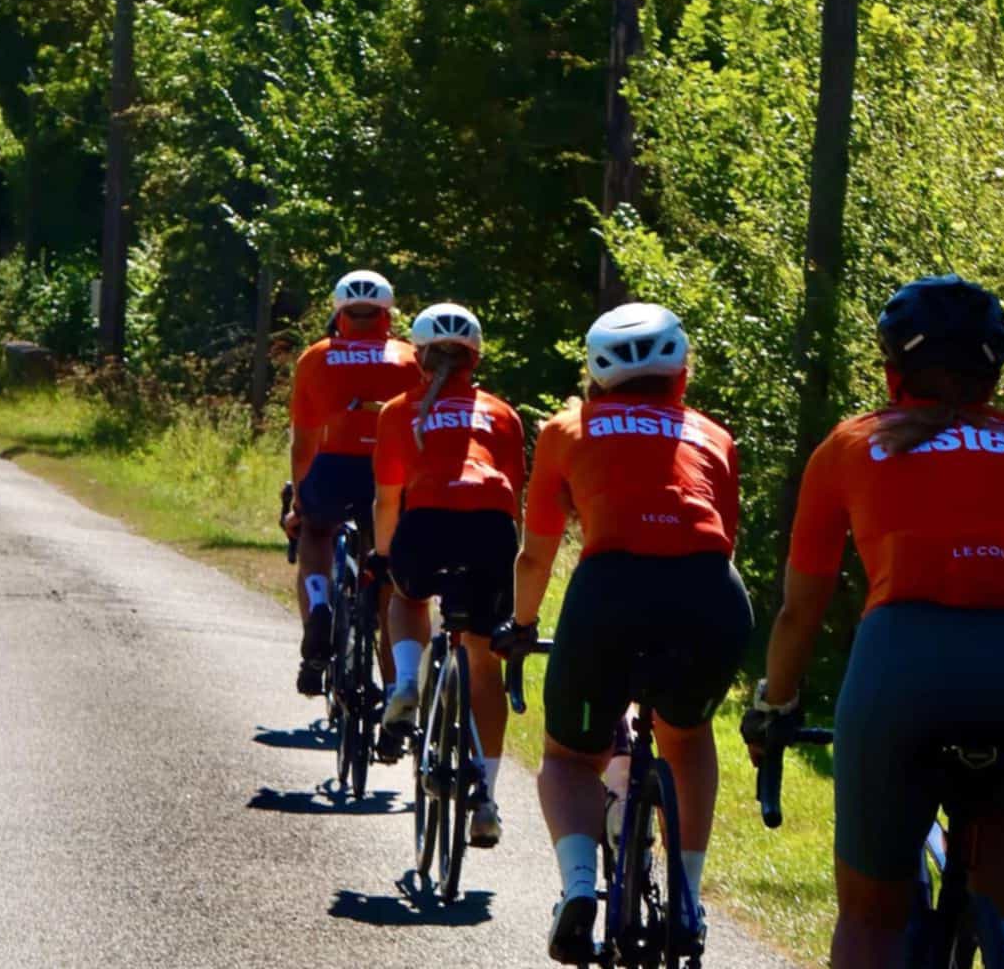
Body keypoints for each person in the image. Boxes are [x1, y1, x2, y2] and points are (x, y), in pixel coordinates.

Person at [741, 275, 1004, 969]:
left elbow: (799, 608)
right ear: (995, 368)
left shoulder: (851, 444)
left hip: (907, 670)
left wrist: (776, 704)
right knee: (999, 808)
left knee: (872, 918)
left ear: (891, 367)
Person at [494, 302, 750, 959]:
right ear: (683, 375)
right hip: (710, 597)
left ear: (596, 377)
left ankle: (580, 887)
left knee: (570, 758)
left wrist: (522, 627)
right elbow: (723, 543)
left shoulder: (565, 429)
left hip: (610, 593)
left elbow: (535, 554)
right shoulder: (715, 437)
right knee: (686, 739)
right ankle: (688, 899)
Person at [372, 302, 527, 847]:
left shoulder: (398, 411)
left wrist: (385, 557)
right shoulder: (503, 414)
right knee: (484, 662)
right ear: (475, 359)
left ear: (418, 358)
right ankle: (485, 797)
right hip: (491, 532)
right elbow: (513, 499)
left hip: (427, 523)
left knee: (406, 596)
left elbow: (388, 500)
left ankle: (407, 682)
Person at [282, 271, 422, 696]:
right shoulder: (413, 358)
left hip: (333, 468)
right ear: (387, 314)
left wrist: (299, 499)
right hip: (392, 478)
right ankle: (398, 688)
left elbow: (303, 442)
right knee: (386, 578)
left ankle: (320, 603)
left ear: (339, 313)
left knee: (315, 531)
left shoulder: (315, 357)